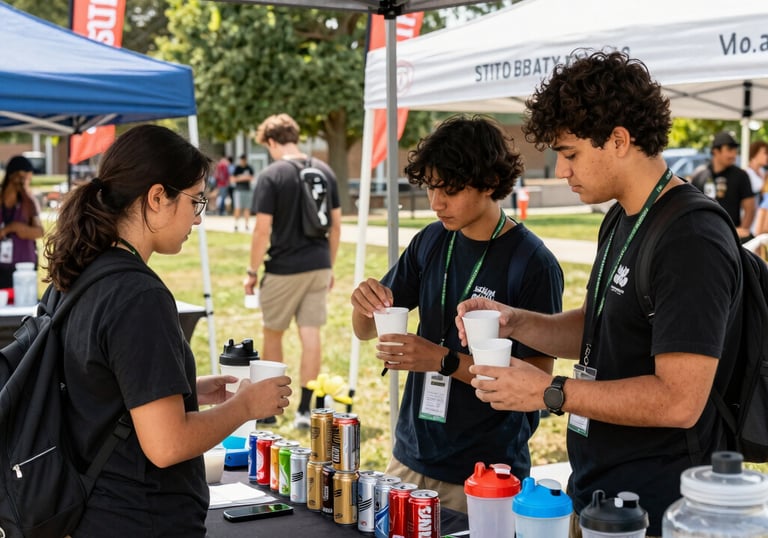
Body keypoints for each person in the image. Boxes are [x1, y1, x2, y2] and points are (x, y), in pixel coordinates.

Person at [456, 52, 742, 537]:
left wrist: (549, 392)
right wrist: (515, 320)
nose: (563, 170)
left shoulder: (691, 236)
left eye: (570, 153)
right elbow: (597, 327)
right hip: (599, 491)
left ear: (619, 140)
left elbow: (680, 401)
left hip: (661, 506)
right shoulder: (621, 217)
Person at [44, 124, 292, 537]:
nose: (197, 217)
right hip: (140, 517)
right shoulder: (138, 295)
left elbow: (96, 389)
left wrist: (187, 388)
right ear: (158, 197)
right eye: (196, 201)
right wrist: (245, 407)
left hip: (91, 511)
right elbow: (167, 445)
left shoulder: (80, 273)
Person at [350, 115, 564, 513]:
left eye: (449, 190)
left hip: (484, 472)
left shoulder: (533, 263)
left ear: (487, 182)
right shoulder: (432, 240)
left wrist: (441, 360)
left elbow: (537, 387)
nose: (436, 203)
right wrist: (363, 305)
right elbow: (365, 330)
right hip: (409, 458)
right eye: (431, 188)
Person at [245, 113, 341, 430]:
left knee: (273, 331)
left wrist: (251, 270)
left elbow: (262, 230)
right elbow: (337, 224)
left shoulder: (272, 175)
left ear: (271, 141)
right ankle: (305, 408)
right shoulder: (325, 171)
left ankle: (270, 408)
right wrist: (330, 264)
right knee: (310, 333)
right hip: (318, 264)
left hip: (284, 267)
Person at [690, 131, 755, 242]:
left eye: (735, 150)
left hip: (731, 237)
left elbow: (750, 208)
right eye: (729, 150)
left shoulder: (741, 175)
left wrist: (741, 232)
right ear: (716, 151)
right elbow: (691, 208)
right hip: (703, 237)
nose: (734, 155)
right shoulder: (699, 175)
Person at [0, 155, 44, 288]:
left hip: (24, 268)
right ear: (13, 176)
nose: (27, 180)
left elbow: (39, 231)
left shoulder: (29, 202)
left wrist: (14, 227)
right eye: (25, 176)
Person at [232, 154, 254, 231]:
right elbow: (232, 179)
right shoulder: (237, 168)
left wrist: (240, 177)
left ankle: (247, 225)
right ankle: (236, 224)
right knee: (238, 208)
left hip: (247, 190)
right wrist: (244, 178)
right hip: (238, 190)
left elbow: (251, 178)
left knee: (247, 208)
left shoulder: (249, 168)